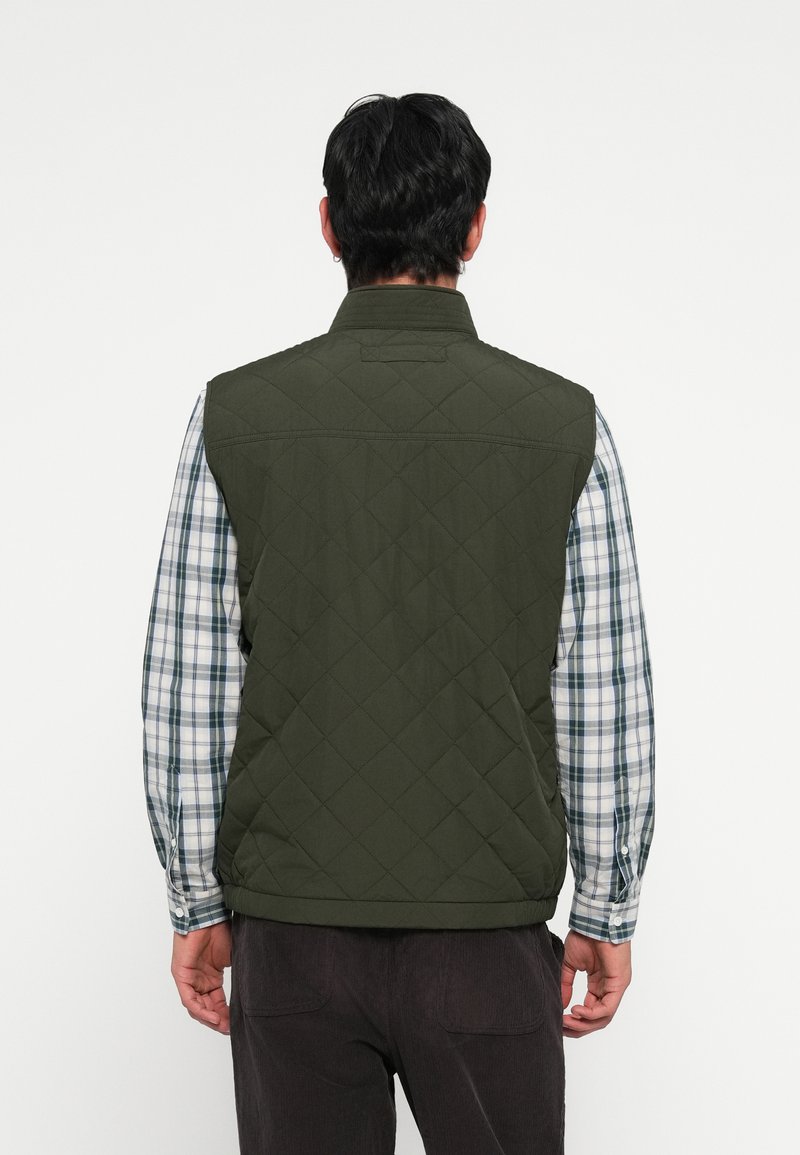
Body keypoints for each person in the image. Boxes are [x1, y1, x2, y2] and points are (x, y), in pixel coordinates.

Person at [141, 91, 655, 1155]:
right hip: (485, 934)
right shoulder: (565, 424)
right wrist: (605, 911)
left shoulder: (234, 415)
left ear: (330, 226)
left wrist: (196, 899)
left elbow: (188, 689)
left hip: (293, 931)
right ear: (475, 228)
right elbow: (603, 695)